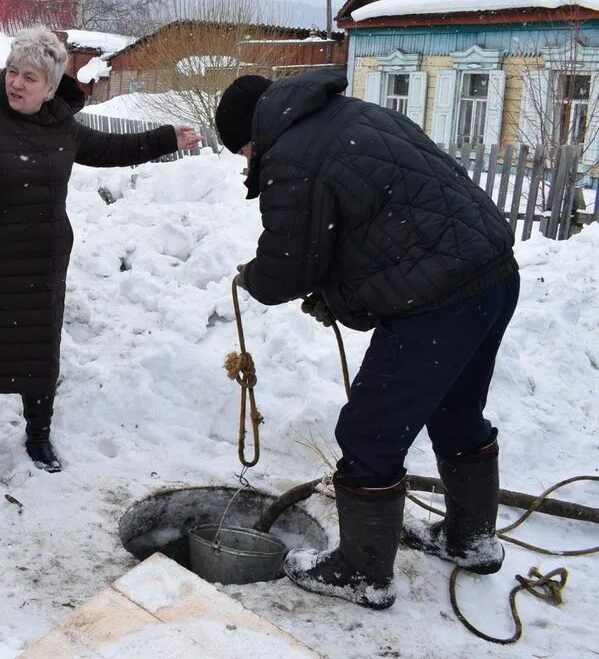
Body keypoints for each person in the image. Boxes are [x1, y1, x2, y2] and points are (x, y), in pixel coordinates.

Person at [215, 69, 520, 610]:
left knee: (369, 433)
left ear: (252, 135)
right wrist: (340, 289)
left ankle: (363, 574)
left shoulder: (290, 155)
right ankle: (468, 540)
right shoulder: (351, 115)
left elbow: (287, 265)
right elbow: (378, 221)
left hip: (439, 300)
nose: (247, 163)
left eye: (242, 153)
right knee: (456, 412)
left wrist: (252, 278)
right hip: (491, 274)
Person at [0, 27, 202, 480]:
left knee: (39, 357)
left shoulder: (62, 127)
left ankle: (38, 436)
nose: (16, 83)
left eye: (30, 77)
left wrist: (165, 139)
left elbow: (112, 148)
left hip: (42, 264)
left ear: (52, 88)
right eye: (13, 72)